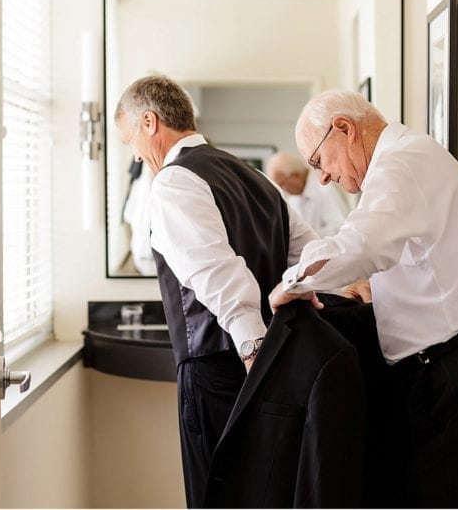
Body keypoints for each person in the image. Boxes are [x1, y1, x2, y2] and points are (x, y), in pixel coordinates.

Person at [269, 89, 458, 507]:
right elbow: (411, 257)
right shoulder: (408, 160)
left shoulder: (403, 162)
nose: (322, 177)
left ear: (344, 128)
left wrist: (290, 285)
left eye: (318, 161)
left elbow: (360, 245)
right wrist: (370, 288)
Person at [113, 75, 319, 507]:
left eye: (128, 137)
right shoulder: (256, 177)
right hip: (274, 360)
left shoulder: (171, 182)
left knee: (217, 494)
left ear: (149, 122)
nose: (132, 152)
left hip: (220, 368)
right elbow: (306, 253)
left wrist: (252, 347)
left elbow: (216, 272)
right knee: (266, 492)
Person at [265, 151, 351, 236]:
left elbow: (341, 227)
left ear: (295, 175)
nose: (283, 190)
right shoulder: (293, 197)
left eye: (282, 184)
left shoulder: (325, 188)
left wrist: (305, 237)